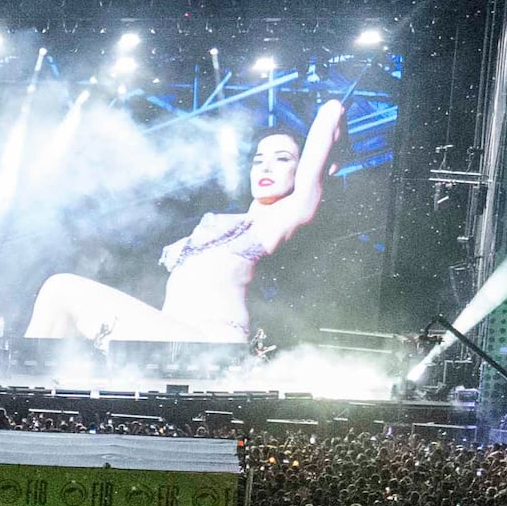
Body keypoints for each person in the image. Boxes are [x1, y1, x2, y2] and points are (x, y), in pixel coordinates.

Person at [26, 95, 347, 354]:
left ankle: (28, 385)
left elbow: (331, 113)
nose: (266, 167)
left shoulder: (283, 215)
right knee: (65, 315)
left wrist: (332, 132)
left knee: (61, 289)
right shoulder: (222, 226)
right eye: (258, 159)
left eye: (282, 158)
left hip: (210, 344)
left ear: (301, 168)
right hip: (174, 339)